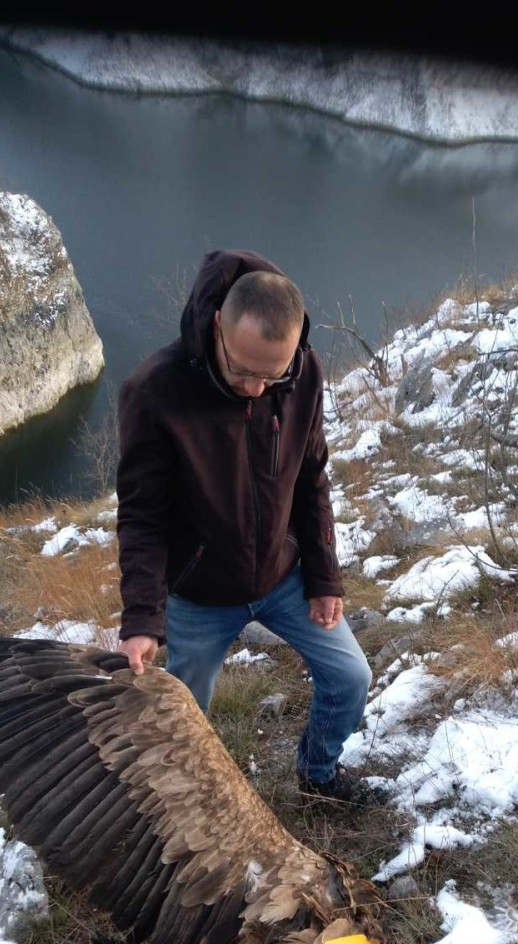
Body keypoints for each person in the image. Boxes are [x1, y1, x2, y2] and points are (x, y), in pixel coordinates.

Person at [115, 248, 381, 805]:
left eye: (272, 374)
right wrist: (142, 616)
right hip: (200, 594)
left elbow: (312, 478)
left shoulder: (303, 372)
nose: (257, 389)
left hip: (284, 577)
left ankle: (318, 775)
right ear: (217, 326)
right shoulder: (154, 392)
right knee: (181, 716)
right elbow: (143, 515)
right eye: (242, 371)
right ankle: (185, 809)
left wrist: (325, 578)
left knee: (352, 677)